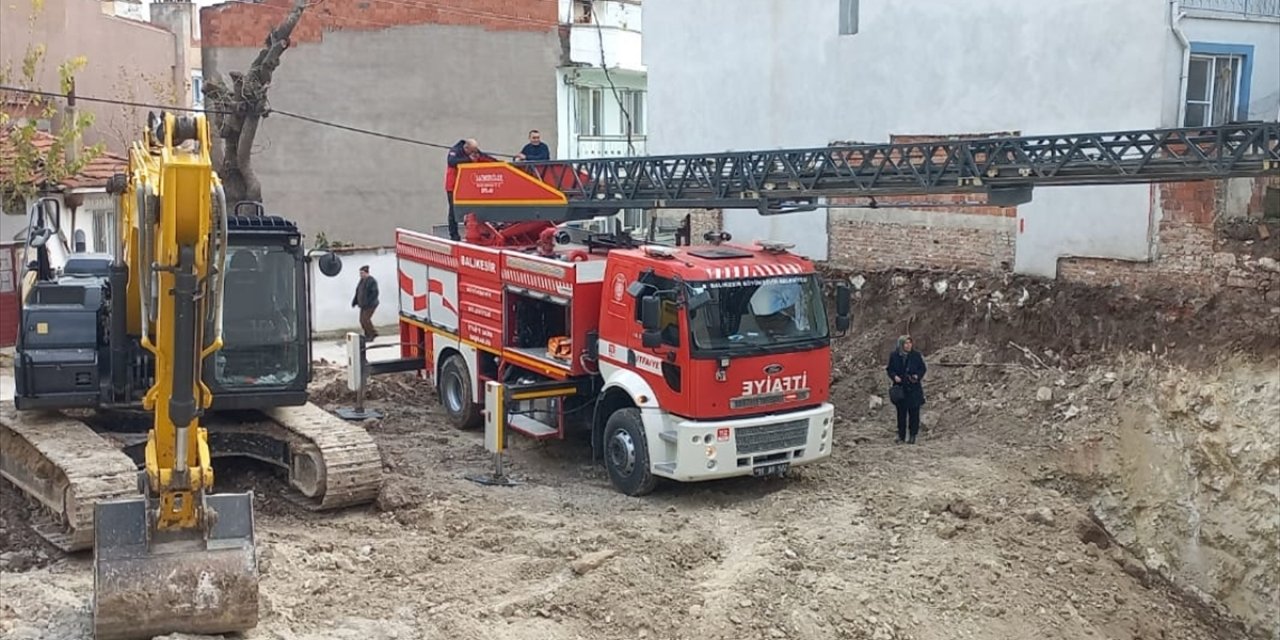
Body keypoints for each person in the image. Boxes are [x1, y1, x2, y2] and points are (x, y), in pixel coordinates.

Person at [444, 138, 492, 241]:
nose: (474, 153)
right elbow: (451, 162)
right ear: (466, 148)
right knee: (453, 211)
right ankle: (454, 235)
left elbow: (483, 157)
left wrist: (500, 163)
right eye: (472, 151)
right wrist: (469, 160)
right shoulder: (455, 151)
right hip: (453, 186)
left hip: (466, 186)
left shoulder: (472, 150)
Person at [885, 334, 927, 444]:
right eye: (906, 343)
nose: (908, 345)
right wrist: (894, 377)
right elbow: (890, 369)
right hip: (900, 388)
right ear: (901, 344)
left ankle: (913, 435)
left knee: (914, 413)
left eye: (910, 343)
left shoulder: (916, 355)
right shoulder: (894, 355)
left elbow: (922, 368)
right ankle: (901, 435)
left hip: (913, 388)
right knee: (901, 414)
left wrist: (917, 376)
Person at [351, 265, 379, 341]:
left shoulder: (371, 281)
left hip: (370, 305)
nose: (361, 275)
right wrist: (355, 301)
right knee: (361, 320)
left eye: (362, 273)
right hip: (363, 305)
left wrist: (368, 302)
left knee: (365, 319)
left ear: (366, 273)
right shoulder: (361, 281)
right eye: (360, 273)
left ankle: (371, 334)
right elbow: (358, 292)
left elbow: (374, 293)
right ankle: (368, 333)